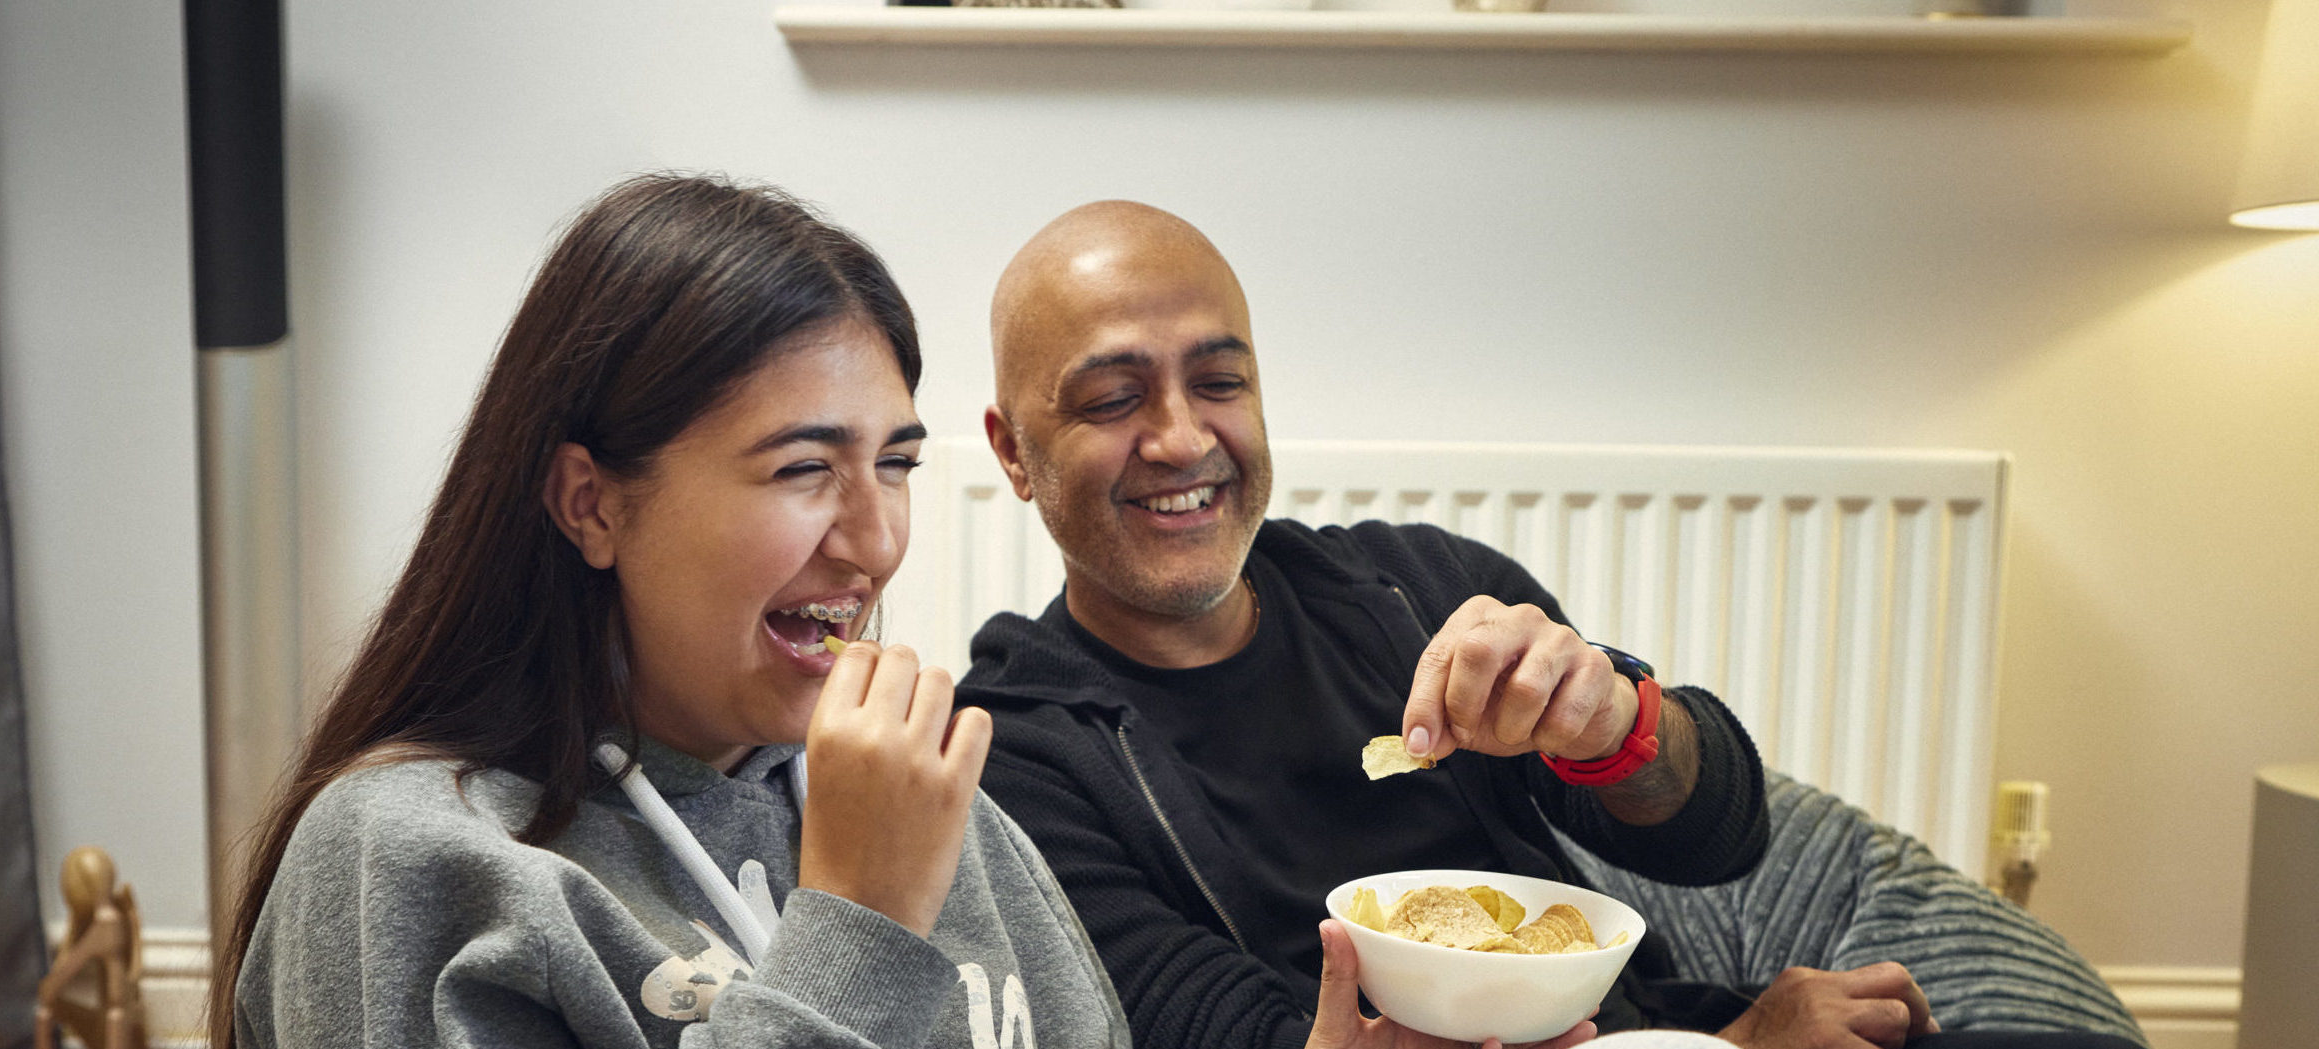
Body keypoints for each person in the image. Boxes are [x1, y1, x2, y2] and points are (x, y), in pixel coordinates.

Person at [956, 201, 2141, 1049]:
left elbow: (1719, 832)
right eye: (1114, 398)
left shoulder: (1416, 591)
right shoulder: (1014, 748)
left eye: (1219, 382)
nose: (1182, 438)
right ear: (1013, 448)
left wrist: (1613, 720)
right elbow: (1214, 1020)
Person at [211, 175, 1127, 1049]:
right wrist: (861, 924)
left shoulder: (926, 810)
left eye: (896, 464)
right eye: (803, 468)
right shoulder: (409, 853)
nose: (876, 542)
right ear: (591, 504)